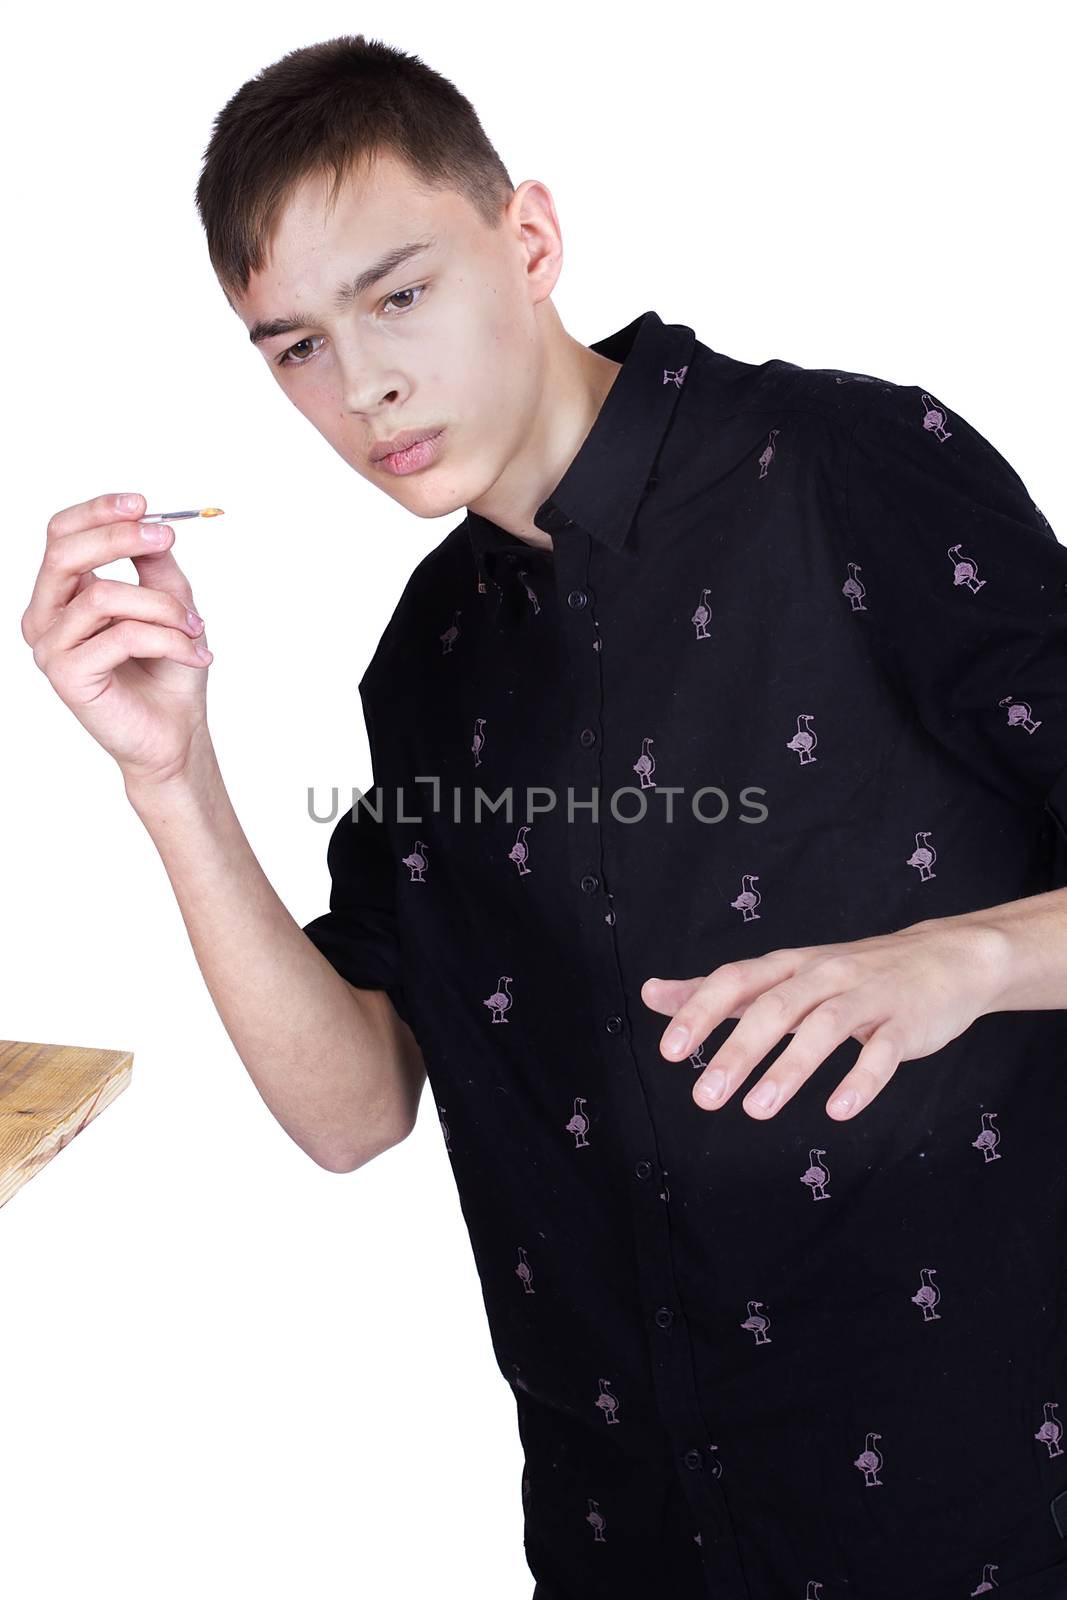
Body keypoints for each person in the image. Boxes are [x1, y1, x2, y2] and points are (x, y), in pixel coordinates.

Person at [22, 32, 1067, 1600]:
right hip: (619, 1538)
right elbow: (352, 1109)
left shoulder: (844, 470)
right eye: (294, 345)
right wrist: (170, 778)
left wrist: (964, 960)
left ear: (527, 237)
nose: (361, 383)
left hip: (967, 1516)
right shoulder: (431, 660)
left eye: (397, 294)